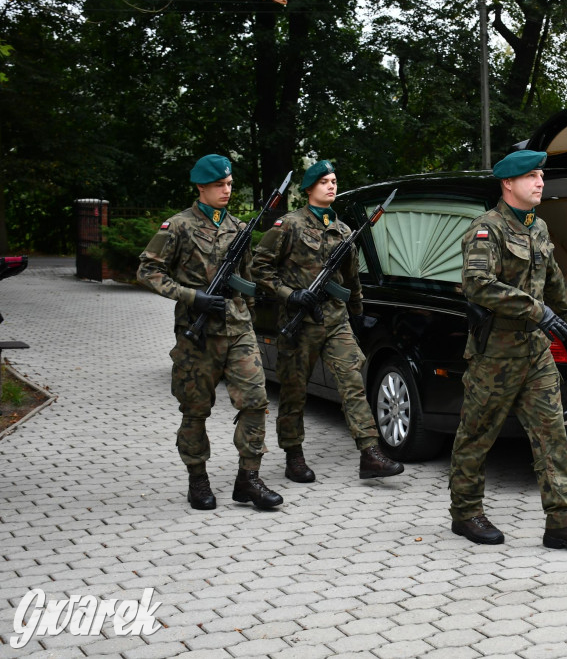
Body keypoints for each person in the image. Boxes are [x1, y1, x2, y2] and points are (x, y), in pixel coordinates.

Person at [448, 149, 567, 556]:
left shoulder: (538, 228)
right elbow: (477, 284)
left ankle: (562, 523)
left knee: (552, 436)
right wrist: (537, 311)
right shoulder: (487, 229)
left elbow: (553, 280)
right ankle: (466, 513)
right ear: (508, 183)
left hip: (536, 354)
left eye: (541, 176)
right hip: (495, 355)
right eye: (532, 176)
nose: (540, 183)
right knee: (476, 435)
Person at [137, 154, 283, 511]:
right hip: (197, 333)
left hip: (237, 329)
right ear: (201, 187)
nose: (226, 190)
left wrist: (247, 316)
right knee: (196, 408)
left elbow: (247, 279)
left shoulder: (237, 227)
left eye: (230, 184)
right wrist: (192, 297)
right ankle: (197, 480)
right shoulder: (179, 226)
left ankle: (248, 479)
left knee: (255, 401)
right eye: (219, 185)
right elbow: (147, 270)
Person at [251, 160, 404, 482]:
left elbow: (351, 280)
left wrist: (359, 314)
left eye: (334, 180)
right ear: (309, 188)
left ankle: (370, 453)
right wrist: (289, 294)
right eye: (324, 181)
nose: (331, 186)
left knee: (353, 384)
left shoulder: (345, 230)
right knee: (294, 392)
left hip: (335, 319)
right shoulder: (288, 225)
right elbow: (260, 268)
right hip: (298, 321)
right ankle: (294, 456)